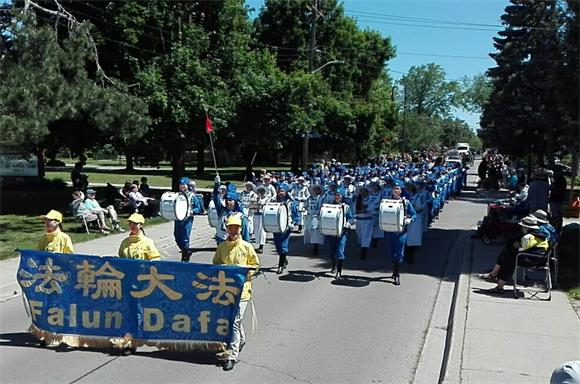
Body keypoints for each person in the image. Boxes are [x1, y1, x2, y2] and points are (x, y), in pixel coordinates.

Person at [213, 215, 260, 371]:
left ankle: (231, 355)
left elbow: (255, 265)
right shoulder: (221, 247)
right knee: (233, 321)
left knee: (234, 322)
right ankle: (241, 340)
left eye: (236, 227)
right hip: (226, 290)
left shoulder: (247, 247)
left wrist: (245, 274)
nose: (233, 230)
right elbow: (216, 264)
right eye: (230, 227)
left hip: (242, 292)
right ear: (226, 229)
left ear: (241, 229)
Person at [480, 215, 549, 294]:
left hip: (533, 260)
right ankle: (495, 276)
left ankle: (497, 281)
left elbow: (521, 249)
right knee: (507, 255)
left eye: (522, 227)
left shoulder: (528, 237)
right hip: (539, 258)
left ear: (526, 227)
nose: (521, 228)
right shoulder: (540, 235)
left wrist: (517, 245)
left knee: (508, 259)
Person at [385, 181, 417, 286]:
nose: (396, 190)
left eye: (398, 189)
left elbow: (414, 215)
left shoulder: (406, 202)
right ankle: (394, 270)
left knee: (399, 253)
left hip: (401, 232)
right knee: (391, 252)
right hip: (390, 231)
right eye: (394, 188)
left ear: (401, 190)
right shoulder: (387, 202)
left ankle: (397, 274)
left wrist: (409, 219)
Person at [326, 188, 355, 278]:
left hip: (343, 232)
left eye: (339, 195)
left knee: (340, 251)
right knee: (332, 251)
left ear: (342, 197)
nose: (337, 197)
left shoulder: (346, 207)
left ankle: (339, 271)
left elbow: (351, 218)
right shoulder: (330, 206)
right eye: (336, 195)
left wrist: (348, 223)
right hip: (332, 232)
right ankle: (334, 264)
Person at [174, 177, 203, 262]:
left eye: (184, 184)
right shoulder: (177, 195)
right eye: (181, 184)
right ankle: (186, 251)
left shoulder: (192, 195)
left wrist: (191, 211)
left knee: (185, 238)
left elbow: (198, 208)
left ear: (187, 185)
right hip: (178, 219)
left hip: (187, 220)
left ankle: (185, 257)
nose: (182, 186)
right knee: (177, 236)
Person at [272, 183, 297, 274]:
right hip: (276, 226)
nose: (280, 193)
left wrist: (293, 223)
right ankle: (284, 259)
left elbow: (295, 215)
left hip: (286, 227)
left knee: (283, 246)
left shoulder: (291, 203)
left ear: (286, 192)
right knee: (277, 245)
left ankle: (280, 265)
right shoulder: (274, 201)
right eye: (279, 191)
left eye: (282, 191)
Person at [405, 182, 425, 264]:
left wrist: (413, 208)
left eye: (409, 187)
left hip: (415, 218)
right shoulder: (404, 197)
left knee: (413, 236)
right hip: (405, 217)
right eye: (407, 187)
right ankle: (406, 253)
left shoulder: (418, 196)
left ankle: (411, 254)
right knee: (405, 236)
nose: (408, 188)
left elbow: (420, 206)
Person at [304, 183, 325, 255]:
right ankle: (313, 243)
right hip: (310, 216)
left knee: (316, 231)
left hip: (317, 216)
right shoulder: (309, 198)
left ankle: (316, 246)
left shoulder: (322, 198)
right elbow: (306, 206)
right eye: (314, 189)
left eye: (317, 189)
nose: (315, 191)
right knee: (310, 231)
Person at [354, 184, 373, 260]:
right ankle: (363, 247)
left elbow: (371, 209)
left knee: (366, 235)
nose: (362, 193)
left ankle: (364, 250)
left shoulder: (370, 199)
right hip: (359, 219)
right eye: (361, 191)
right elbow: (354, 208)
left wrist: (364, 210)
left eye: (364, 191)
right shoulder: (357, 199)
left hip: (367, 220)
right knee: (360, 235)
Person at [250, 185, 269, 254]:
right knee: (256, 230)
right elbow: (252, 206)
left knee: (262, 231)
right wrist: (256, 203)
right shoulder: (255, 198)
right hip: (256, 215)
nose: (261, 192)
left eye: (262, 191)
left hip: (262, 216)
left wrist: (262, 204)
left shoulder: (267, 199)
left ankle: (261, 246)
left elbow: (268, 207)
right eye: (259, 191)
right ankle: (258, 244)